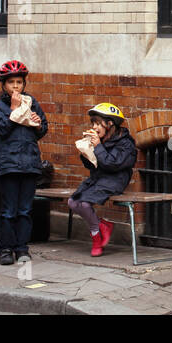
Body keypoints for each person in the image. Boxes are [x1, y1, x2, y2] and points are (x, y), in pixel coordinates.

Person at [0, 60, 48, 265]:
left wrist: (38, 124)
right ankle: (5, 248)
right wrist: (14, 110)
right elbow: (2, 129)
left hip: (30, 162)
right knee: (8, 210)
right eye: (11, 82)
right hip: (10, 164)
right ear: (3, 85)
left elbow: (43, 127)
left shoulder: (31, 102)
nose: (16, 86)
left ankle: (22, 248)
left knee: (25, 210)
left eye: (19, 82)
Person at [67, 103, 137, 257]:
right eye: (93, 123)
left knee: (85, 204)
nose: (95, 126)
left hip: (115, 180)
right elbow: (93, 165)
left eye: (98, 123)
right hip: (98, 179)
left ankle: (96, 239)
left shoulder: (126, 143)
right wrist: (86, 151)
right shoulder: (102, 139)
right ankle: (102, 226)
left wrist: (98, 146)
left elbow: (112, 164)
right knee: (72, 202)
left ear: (110, 123)